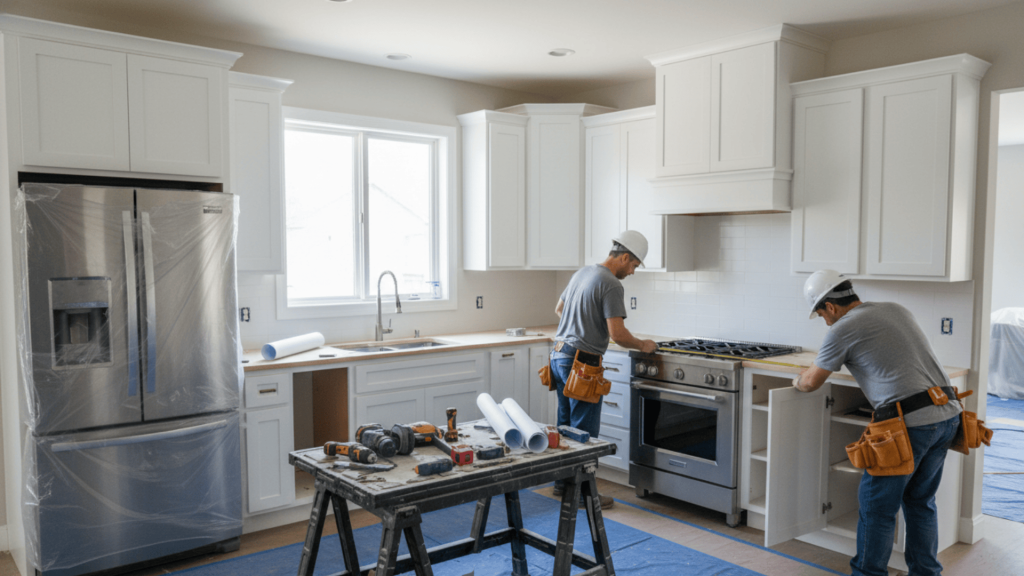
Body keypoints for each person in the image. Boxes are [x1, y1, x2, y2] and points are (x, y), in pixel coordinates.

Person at [793, 270, 962, 576]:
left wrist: (797, 379)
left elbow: (811, 383)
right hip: (948, 415)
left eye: (821, 315)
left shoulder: (842, 328)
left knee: (876, 508)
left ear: (830, 307)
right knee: (920, 502)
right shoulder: (895, 309)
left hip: (909, 426)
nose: (825, 321)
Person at [549, 230, 658, 508]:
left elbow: (559, 309)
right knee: (584, 432)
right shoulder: (611, 284)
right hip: (583, 363)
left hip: (559, 356)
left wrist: (583, 324)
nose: (632, 272)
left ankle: (563, 485)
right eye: (633, 265)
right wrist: (642, 344)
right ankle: (585, 496)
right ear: (624, 257)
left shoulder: (583, 273)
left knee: (565, 426)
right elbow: (618, 335)